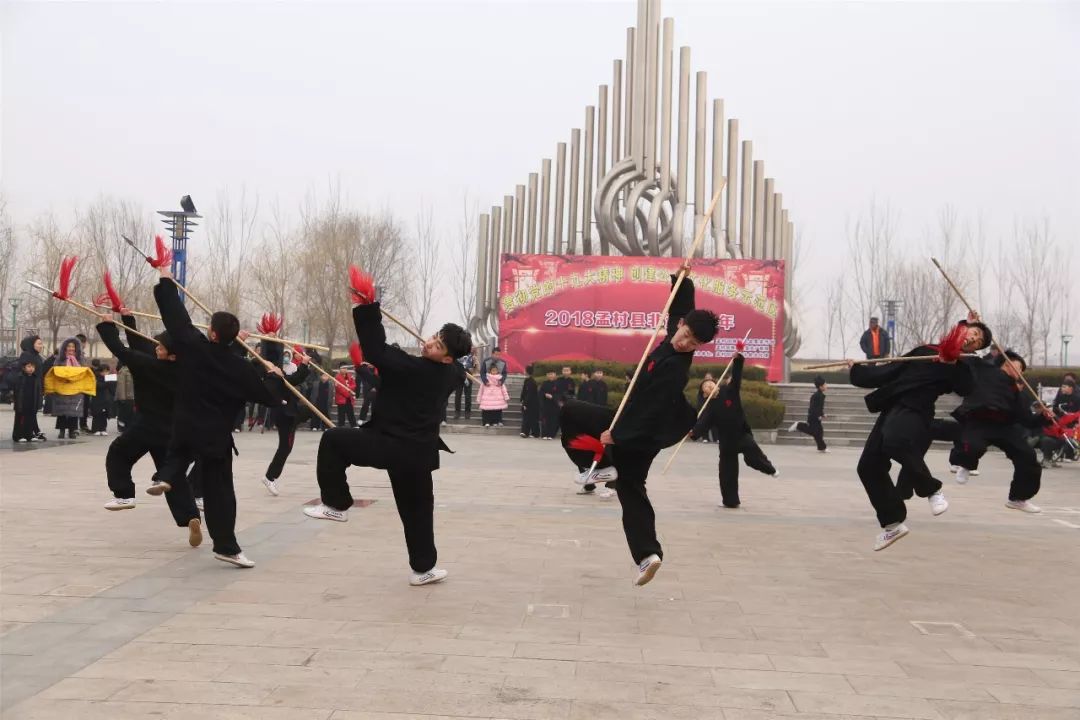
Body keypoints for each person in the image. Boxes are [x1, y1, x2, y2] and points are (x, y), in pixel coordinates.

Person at [303, 271, 472, 587]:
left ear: (447, 357)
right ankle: (424, 568)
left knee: (333, 441)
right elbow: (396, 374)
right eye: (434, 336)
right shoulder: (452, 374)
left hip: (391, 445)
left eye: (437, 345)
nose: (429, 342)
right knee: (418, 510)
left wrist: (367, 309)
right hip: (418, 453)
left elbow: (378, 351)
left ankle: (337, 504)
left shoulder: (418, 371)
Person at [567, 269, 719, 586]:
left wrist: (616, 436)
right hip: (632, 424)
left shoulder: (676, 370)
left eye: (694, 342)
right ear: (681, 325)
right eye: (686, 333)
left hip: (641, 432)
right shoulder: (671, 338)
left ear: (699, 345)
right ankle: (648, 555)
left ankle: (602, 468)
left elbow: (650, 411)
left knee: (572, 413)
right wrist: (682, 279)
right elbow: (681, 306)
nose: (685, 342)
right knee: (632, 492)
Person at [149, 266, 286, 568]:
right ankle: (226, 545)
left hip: (185, 423)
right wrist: (274, 376)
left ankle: (167, 477)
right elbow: (269, 397)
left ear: (211, 332)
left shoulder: (194, 348)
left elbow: (176, 318)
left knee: (178, 454)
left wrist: (164, 280)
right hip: (215, 434)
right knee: (220, 491)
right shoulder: (241, 368)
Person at [849, 317, 988, 551]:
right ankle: (892, 523)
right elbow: (890, 370)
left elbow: (967, 388)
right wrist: (856, 369)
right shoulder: (925, 351)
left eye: (978, 341)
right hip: (893, 407)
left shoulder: (962, 365)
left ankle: (932, 490)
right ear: (962, 329)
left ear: (976, 349)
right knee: (868, 466)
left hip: (917, 411)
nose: (973, 339)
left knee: (894, 442)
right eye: (973, 333)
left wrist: (954, 362)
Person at [95, 313, 204, 543]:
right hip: (172, 431)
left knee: (118, 453)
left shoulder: (148, 367)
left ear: (170, 355)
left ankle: (124, 495)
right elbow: (141, 346)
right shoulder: (187, 372)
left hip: (146, 427)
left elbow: (122, 350)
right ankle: (190, 516)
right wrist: (127, 320)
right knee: (172, 477)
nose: (156, 349)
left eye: (161, 347)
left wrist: (107, 326)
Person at [944, 350, 1050, 512]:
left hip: (1004, 427)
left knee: (1027, 455)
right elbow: (968, 360)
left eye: (1022, 370)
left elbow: (1027, 420)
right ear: (1007, 363)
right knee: (973, 446)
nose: (1020, 371)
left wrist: (1044, 416)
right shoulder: (985, 370)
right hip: (978, 421)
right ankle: (964, 464)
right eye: (1019, 366)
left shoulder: (1017, 392)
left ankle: (1018, 497)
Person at [692, 346, 778, 508]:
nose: (709, 386)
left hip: (741, 435)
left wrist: (738, 359)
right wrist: (693, 433)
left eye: (711, 383)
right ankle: (730, 501)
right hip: (726, 444)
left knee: (754, 456)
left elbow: (736, 377)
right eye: (705, 387)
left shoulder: (729, 391)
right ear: (704, 393)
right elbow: (702, 424)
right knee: (727, 473)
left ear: (716, 384)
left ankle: (770, 469)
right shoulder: (710, 407)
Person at [260, 339, 311, 495]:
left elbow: (294, 379)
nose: (279, 367)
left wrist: (304, 364)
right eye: (275, 366)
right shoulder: (272, 380)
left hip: (289, 413)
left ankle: (270, 476)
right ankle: (270, 477)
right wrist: (303, 365)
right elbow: (293, 379)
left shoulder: (278, 377)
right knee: (285, 447)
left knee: (286, 447)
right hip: (284, 415)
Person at [44, 337, 94, 440]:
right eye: (69, 346)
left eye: (73, 346)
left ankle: (72, 431)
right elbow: (55, 371)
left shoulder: (81, 359)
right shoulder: (59, 359)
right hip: (62, 388)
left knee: (74, 411)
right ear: (65, 347)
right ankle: (62, 430)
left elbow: (84, 372)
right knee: (62, 411)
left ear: (76, 348)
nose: (71, 348)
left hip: (76, 389)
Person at [790, 375, 828, 452]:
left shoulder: (820, 395)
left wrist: (822, 414)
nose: (826, 386)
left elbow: (819, 408)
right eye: (825, 384)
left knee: (819, 432)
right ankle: (798, 425)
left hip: (815, 416)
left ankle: (822, 448)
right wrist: (818, 416)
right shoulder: (817, 396)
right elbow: (813, 408)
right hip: (813, 417)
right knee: (813, 431)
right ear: (820, 387)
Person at [11, 360, 42, 443]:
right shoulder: (20, 377)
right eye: (28, 366)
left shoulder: (36, 378)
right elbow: (16, 391)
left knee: (30, 419)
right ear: (24, 368)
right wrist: (17, 403)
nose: (31, 368)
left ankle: (29, 435)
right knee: (20, 420)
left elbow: (39, 392)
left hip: (32, 402)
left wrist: (38, 403)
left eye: (32, 367)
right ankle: (18, 436)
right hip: (22, 403)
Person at [453, 349, 477, 420]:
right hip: (458, 376)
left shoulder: (472, 356)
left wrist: (474, 367)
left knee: (468, 395)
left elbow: (475, 368)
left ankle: (467, 412)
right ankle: (457, 412)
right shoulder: (457, 355)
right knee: (458, 395)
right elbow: (454, 365)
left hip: (469, 375)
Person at [89, 362, 112, 436]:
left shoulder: (109, 378)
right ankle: (96, 429)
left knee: (104, 415)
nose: (105, 373)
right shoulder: (96, 378)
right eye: (104, 371)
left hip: (106, 399)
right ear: (100, 371)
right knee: (97, 415)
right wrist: (108, 382)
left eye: (107, 371)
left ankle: (103, 429)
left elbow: (112, 389)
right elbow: (99, 386)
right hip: (97, 399)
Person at [519, 365, 541, 438]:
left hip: (532, 403)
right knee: (528, 418)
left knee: (531, 418)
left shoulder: (532, 382)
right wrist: (521, 399)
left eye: (525, 370)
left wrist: (525, 403)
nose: (524, 371)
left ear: (527, 371)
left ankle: (533, 433)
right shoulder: (527, 380)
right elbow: (524, 392)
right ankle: (526, 432)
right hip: (528, 402)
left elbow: (530, 394)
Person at [334, 362, 358, 428]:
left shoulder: (350, 376)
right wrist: (348, 392)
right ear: (339, 369)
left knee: (350, 412)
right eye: (343, 368)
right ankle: (341, 425)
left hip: (349, 399)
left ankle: (354, 425)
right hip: (341, 398)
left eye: (346, 368)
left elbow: (354, 385)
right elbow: (339, 388)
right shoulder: (337, 377)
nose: (345, 369)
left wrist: (348, 388)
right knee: (341, 413)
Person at [538, 370, 559, 439]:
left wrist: (553, 397)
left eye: (552, 374)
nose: (550, 376)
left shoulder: (558, 384)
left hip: (554, 405)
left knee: (553, 420)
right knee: (545, 420)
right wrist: (544, 394)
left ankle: (551, 434)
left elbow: (560, 394)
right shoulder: (544, 383)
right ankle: (544, 434)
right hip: (545, 404)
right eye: (549, 374)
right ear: (547, 375)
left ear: (555, 375)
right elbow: (540, 392)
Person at [114, 363, 135, 431]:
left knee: (131, 413)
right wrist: (122, 398)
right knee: (125, 413)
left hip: (133, 396)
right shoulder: (124, 371)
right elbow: (121, 385)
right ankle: (123, 428)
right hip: (127, 396)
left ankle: (129, 427)